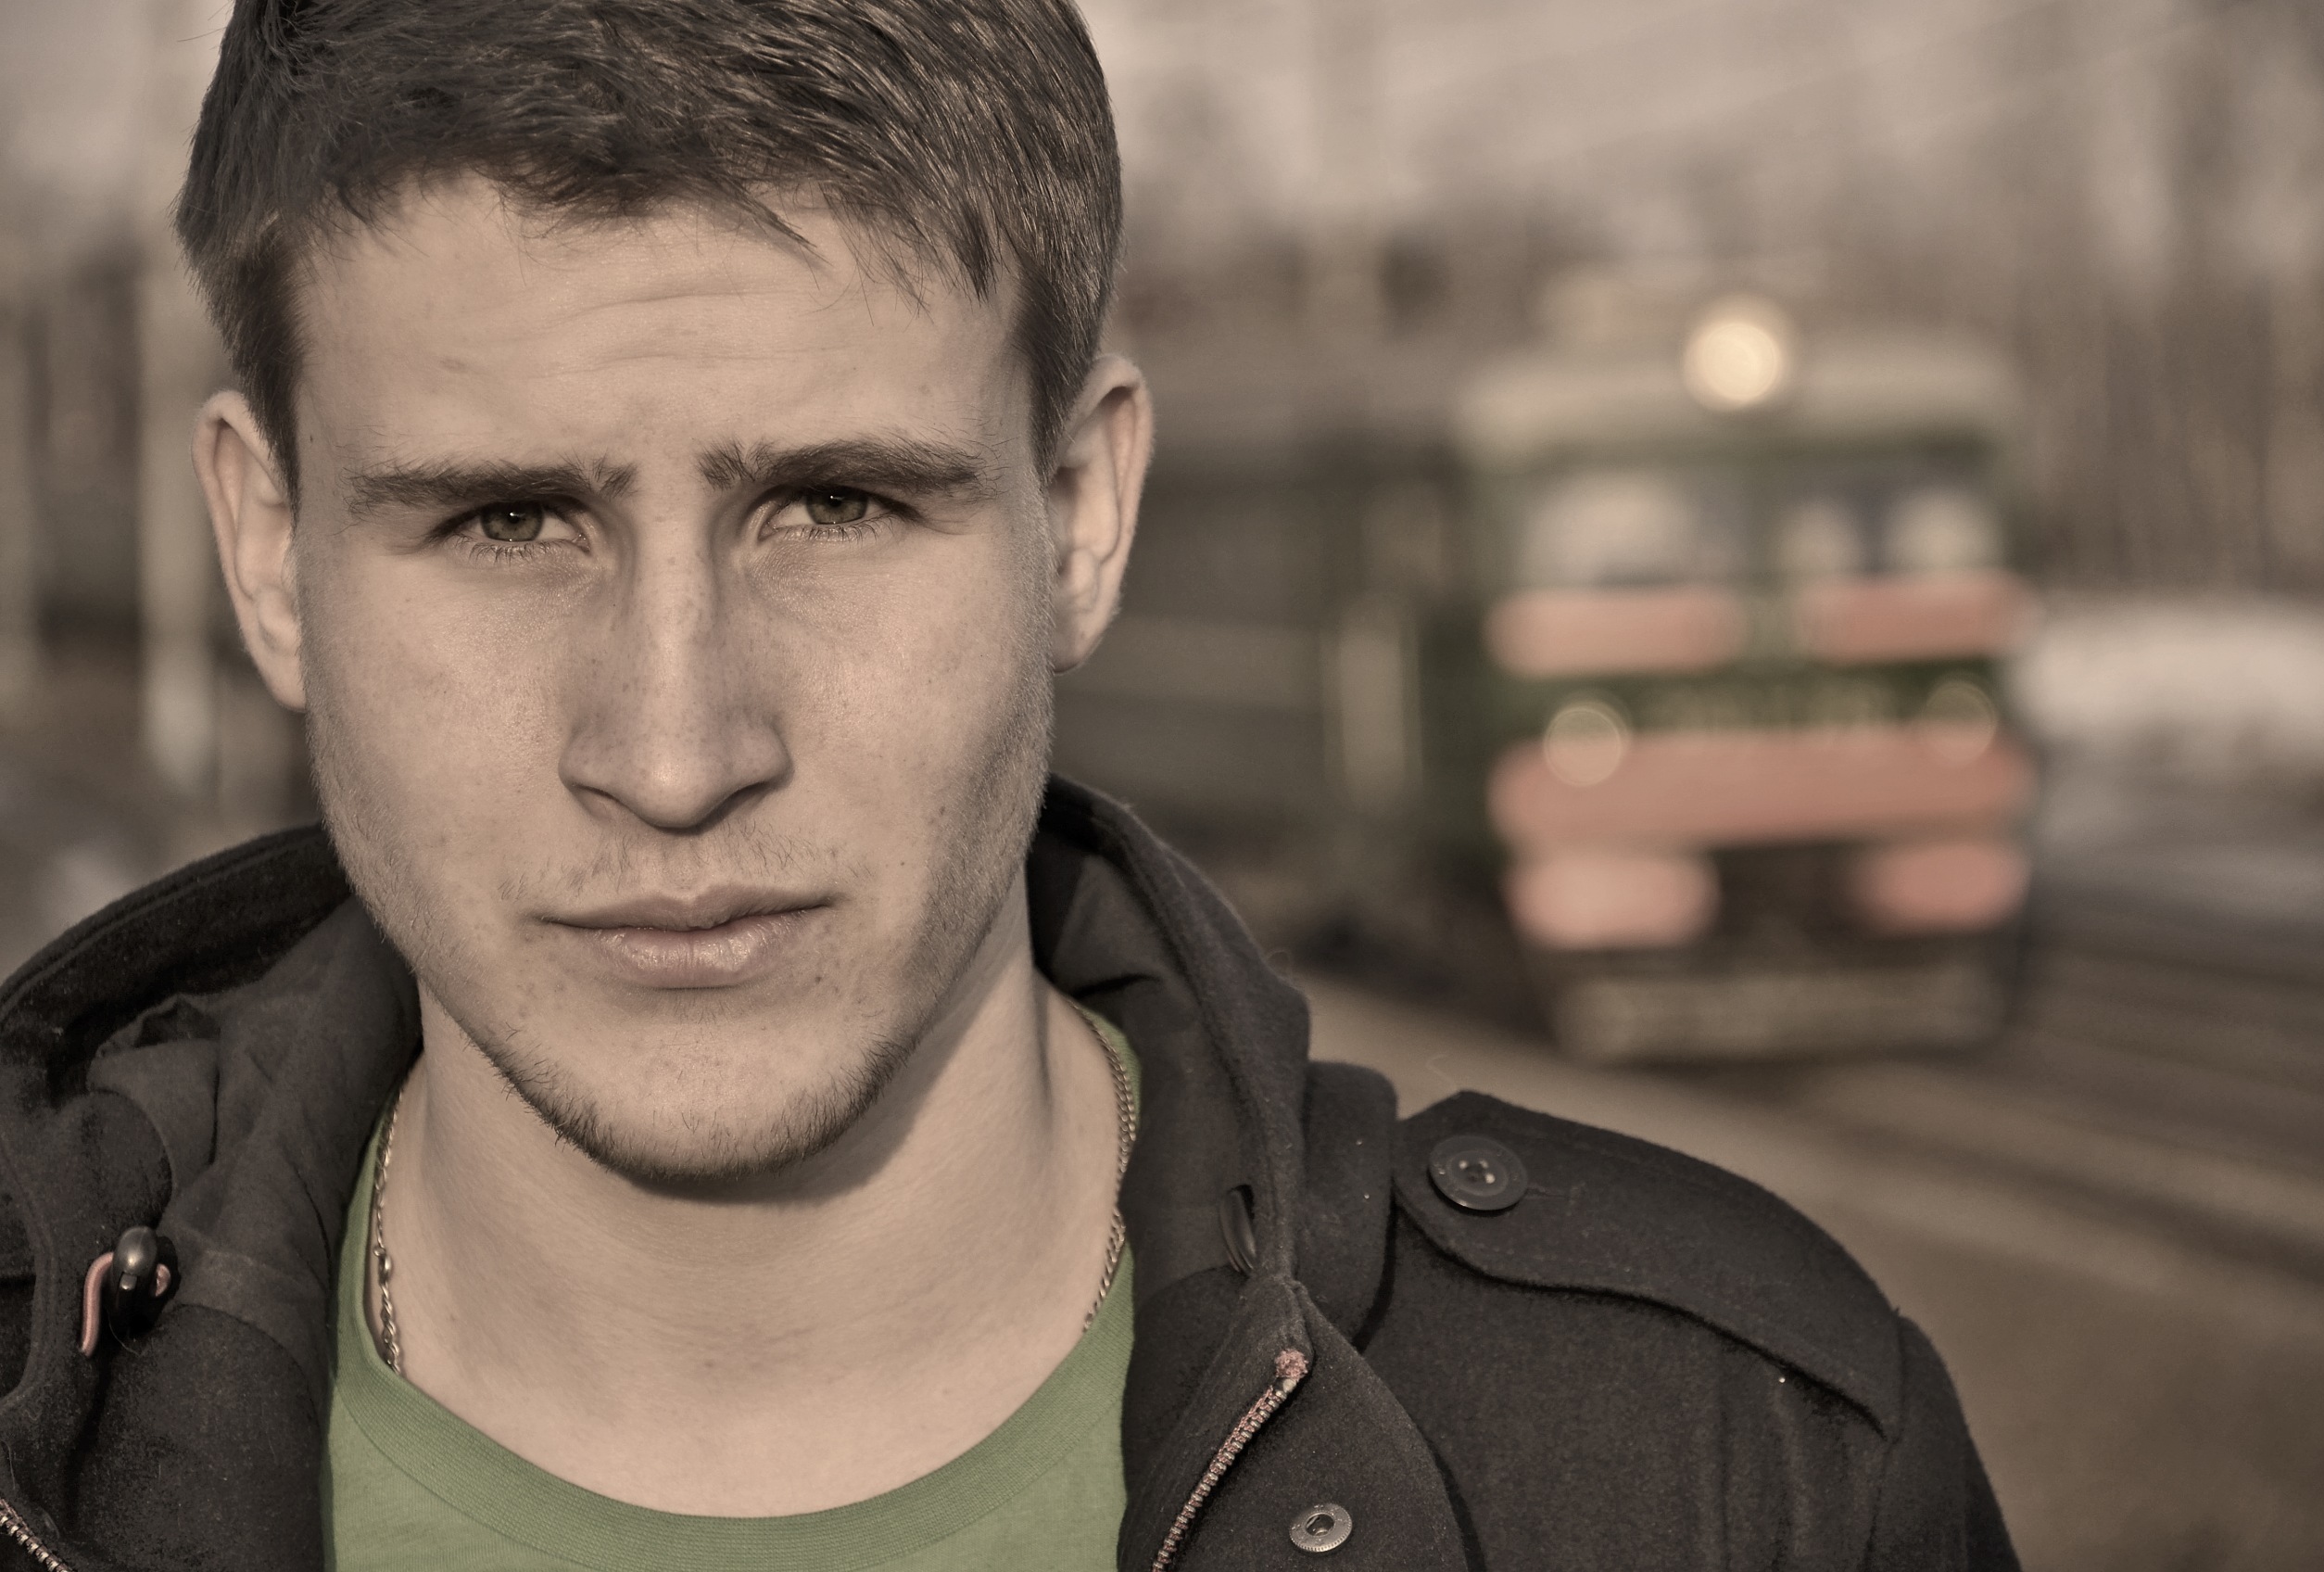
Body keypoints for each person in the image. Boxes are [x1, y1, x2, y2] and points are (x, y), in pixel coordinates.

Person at [0, 2, 2018, 1567]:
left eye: (838, 505)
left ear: (1080, 519)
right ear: (267, 554)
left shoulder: (1746, 1471)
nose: (678, 753)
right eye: (507, 521)